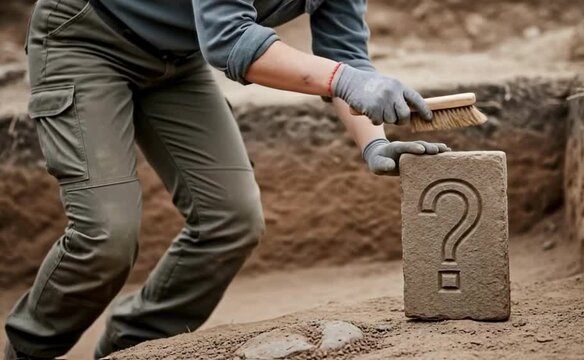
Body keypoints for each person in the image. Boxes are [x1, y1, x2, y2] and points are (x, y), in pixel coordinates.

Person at [4, 0, 450, 358]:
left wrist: (372, 143)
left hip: (175, 61)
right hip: (86, 38)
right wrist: (346, 79)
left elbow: (345, 58)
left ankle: (133, 348)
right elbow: (229, 38)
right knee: (107, 233)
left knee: (232, 219)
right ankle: (29, 350)